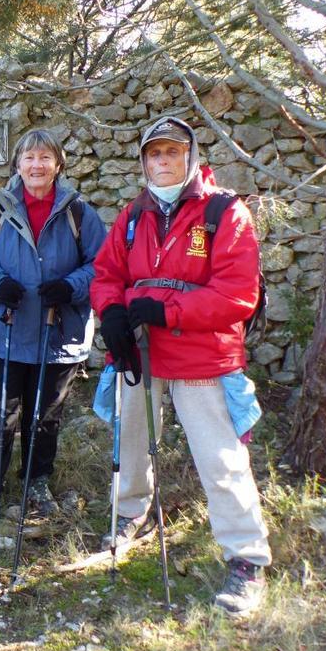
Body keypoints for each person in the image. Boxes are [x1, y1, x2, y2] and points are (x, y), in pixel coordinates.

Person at [90, 116, 271, 616]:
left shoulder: (224, 213)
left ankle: (246, 559)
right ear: (143, 161)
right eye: (154, 154)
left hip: (202, 356)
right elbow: (107, 274)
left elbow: (237, 296)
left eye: (172, 152)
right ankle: (130, 516)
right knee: (131, 445)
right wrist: (110, 315)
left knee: (220, 459)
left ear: (191, 157)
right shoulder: (132, 216)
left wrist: (167, 311)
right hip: (140, 353)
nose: (163, 162)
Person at [0, 128, 107, 536]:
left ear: (58, 164)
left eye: (44, 158)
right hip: (5, 330)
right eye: (29, 158)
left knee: (46, 417)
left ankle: (35, 481)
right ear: (17, 164)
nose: (36, 165)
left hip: (59, 333)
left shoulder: (79, 212)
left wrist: (70, 286)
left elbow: (102, 263)